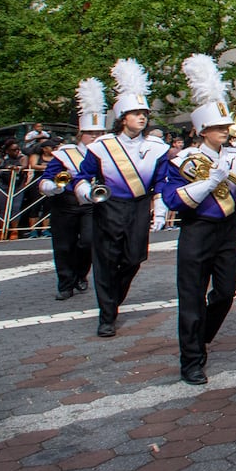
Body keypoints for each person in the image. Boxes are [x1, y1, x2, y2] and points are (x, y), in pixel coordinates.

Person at [160, 54, 236, 385]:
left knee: (226, 292)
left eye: (226, 127)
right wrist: (208, 183)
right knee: (191, 296)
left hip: (227, 232)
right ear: (202, 130)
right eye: (218, 128)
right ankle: (191, 360)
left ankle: (200, 337)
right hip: (196, 231)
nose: (225, 132)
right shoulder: (183, 160)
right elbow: (172, 200)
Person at [73, 59, 172, 338]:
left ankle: (112, 299)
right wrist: (86, 193)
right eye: (136, 113)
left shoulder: (156, 148)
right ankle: (106, 316)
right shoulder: (103, 147)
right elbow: (82, 177)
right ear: (122, 117)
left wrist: (161, 211)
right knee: (105, 259)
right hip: (109, 208)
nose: (142, 117)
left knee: (134, 258)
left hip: (139, 208)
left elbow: (161, 183)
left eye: (144, 113)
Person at [38, 79, 104, 299]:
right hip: (65, 204)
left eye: (99, 133)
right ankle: (65, 283)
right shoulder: (65, 153)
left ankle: (80, 274)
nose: (95, 137)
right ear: (80, 134)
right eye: (90, 133)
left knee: (88, 242)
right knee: (63, 245)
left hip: (90, 205)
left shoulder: (106, 153)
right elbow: (46, 180)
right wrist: (55, 187)